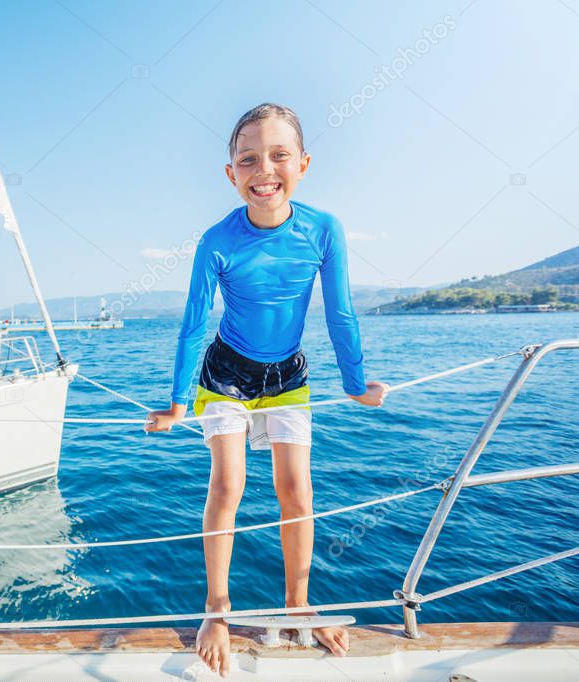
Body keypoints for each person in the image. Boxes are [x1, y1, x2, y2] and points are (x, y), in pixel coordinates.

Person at [145, 103, 389, 677]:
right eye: (248, 158)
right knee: (228, 484)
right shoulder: (215, 241)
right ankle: (217, 610)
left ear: (302, 164)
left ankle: (299, 603)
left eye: (279, 155)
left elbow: (341, 312)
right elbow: (193, 323)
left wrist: (354, 384)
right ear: (230, 173)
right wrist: (179, 402)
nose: (264, 169)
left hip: (287, 377)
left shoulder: (323, 229)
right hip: (225, 374)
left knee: (296, 493)